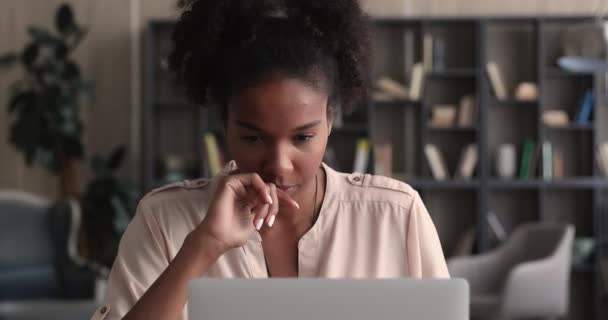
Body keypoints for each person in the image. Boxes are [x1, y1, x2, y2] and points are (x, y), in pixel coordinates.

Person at [90, 1, 448, 319]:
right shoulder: (163, 221)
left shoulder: (395, 216)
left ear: (330, 120)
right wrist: (205, 245)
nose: (279, 165)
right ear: (224, 123)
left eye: (302, 137)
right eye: (253, 137)